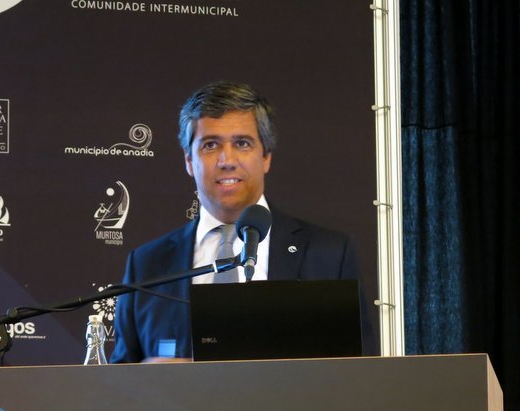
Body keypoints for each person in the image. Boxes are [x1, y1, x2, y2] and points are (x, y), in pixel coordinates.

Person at [110, 81, 366, 363]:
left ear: (266, 157)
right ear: (188, 160)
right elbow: (120, 379)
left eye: (242, 143)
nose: (227, 160)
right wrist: (148, 379)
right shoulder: (147, 266)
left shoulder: (329, 254)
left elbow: (363, 374)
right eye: (210, 145)